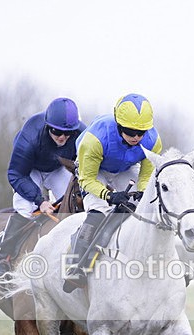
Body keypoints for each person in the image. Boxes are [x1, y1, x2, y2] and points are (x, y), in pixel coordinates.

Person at [62, 93, 163, 292]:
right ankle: (76, 265)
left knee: (143, 208)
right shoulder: (94, 140)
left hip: (125, 168)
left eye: (141, 132)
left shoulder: (154, 141)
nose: (136, 137)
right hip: (94, 170)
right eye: (130, 132)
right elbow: (87, 180)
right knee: (99, 212)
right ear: (118, 125)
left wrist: (142, 191)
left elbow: (146, 175)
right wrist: (109, 196)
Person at [0, 97, 87, 277]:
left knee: (77, 205)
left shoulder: (82, 134)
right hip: (29, 170)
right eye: (57, 131)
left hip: (58, 168)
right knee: (25, 208)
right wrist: (40, 201)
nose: (62, 137)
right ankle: (3, 258)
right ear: (48, 126)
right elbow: (16, 174)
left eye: (68, 133)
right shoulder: (30, 135)